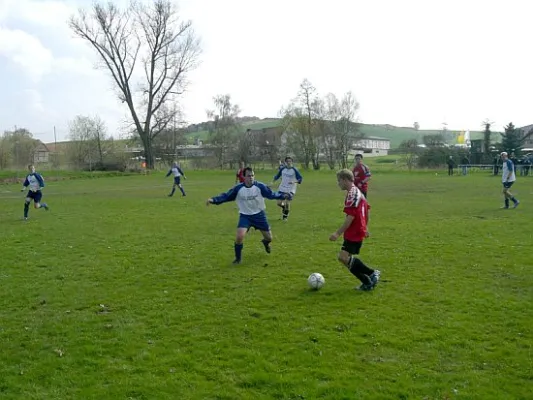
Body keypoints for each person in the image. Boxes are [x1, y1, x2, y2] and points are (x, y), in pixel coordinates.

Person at [206, 167, 291, 265]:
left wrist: (283, 196)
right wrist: (213, 200)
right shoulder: (238, 188)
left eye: (252, 175)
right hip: (245, 216)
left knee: (269, 238)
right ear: (244, 177)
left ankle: (265, 243)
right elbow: (226, 196)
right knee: (239, 236)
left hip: (259, 215)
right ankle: (238, 259)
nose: (251, 177)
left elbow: (271, 194)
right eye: (248, 176)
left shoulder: (260, 186)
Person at [329, 169, 380, 291]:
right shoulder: (357, 191)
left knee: (343, 257)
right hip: (358, 230)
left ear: (345, 180)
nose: (338, 183)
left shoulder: (352, 194)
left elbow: (350, 218)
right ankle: (367, 281)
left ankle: (372, 273)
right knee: (344, 258)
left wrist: (337, 233)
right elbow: (366, 209)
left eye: (339, 181)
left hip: (354, 232)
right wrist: (365, 227)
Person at [271, 156, 303, 221]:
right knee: (279, 203)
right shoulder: (283, 169)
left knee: (287, 203)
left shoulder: (294, 170)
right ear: (285, 162)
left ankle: (285, 217)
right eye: (287, 161)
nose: (289, 162)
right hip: (282, 188)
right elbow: (277, 176)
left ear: (292, 162)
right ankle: (284, 208)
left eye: (290, 161)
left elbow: (300, 179)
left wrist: (293, 181)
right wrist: (272, 182)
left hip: (290, 189)